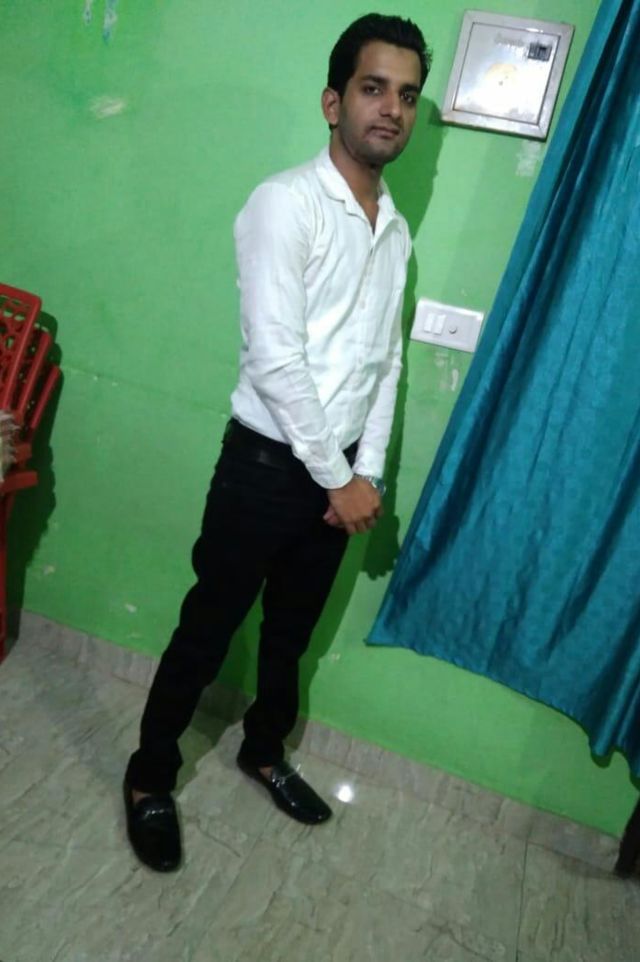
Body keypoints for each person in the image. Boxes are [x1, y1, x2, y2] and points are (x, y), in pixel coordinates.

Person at [124, 12, 431, 872]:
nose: (392, 109)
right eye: (374, 88)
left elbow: (386, 361)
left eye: (408, 95)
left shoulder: (393, 227)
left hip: (338, 478)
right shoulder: (284, 204)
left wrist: (367, 474)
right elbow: (276, 357)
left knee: (290, 636)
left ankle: (263, 752)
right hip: (265, 468)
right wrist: (338, 478)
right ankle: (148, 778)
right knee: (209, 627)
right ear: (333, 102)